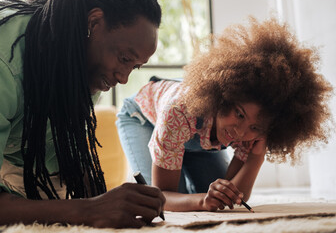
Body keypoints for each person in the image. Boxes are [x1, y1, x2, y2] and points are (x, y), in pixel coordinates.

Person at [0, 0, 165, 229]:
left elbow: (58, 153)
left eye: (134, 67)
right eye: (124, 58)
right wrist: (89, 209)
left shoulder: (82, 65)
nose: (124, 78)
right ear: (93, 23)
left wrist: (109, 200)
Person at [116, 17, 333, 212]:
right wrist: (200, 202)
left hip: (197, 135)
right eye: (239, 114)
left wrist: (256, 158)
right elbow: (163, 195)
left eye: (255, 127)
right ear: (223, 95)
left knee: (214, 195)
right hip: (143, 118)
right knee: (171, 198)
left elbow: (233, 196)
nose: (240, 131)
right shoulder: (178, 111)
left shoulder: (253, 130)